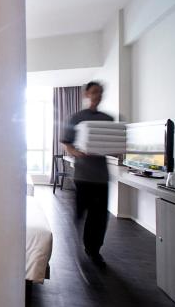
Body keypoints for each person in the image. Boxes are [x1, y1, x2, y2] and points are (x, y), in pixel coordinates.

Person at [61, 81, 113, 268]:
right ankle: (76, 241)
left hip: (101, 176)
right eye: (94, 92)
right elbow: (67, 143)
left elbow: (113, 146)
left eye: (100, 92)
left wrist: (115, 150)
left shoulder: (108, 119)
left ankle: (93, 250)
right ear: (86, 94)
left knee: (99, 216)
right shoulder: (77, 118)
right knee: (80, 212)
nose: (97, 95)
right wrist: (77, 153)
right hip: (83, 174)